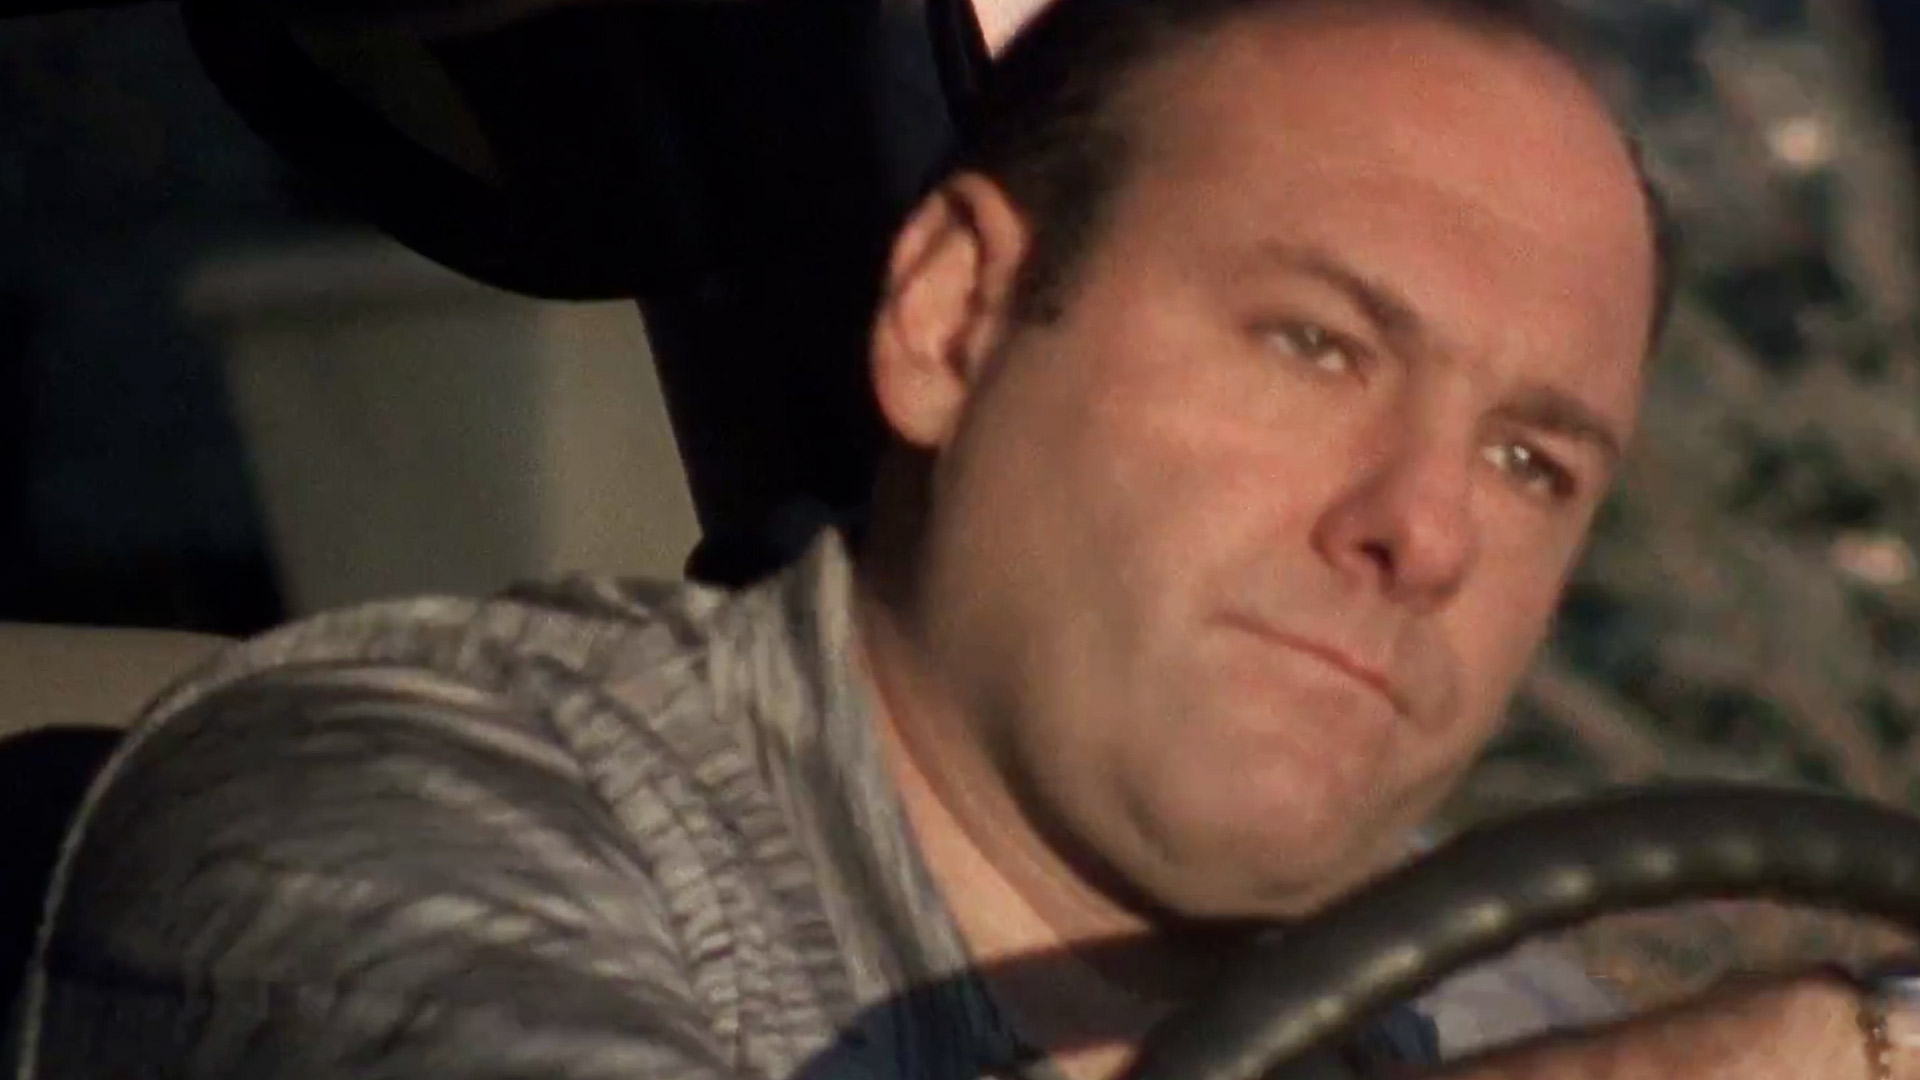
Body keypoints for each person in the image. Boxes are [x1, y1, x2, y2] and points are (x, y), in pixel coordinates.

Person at [5, 0, 1902, 1077]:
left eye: (1533, 461)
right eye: (1316, 345)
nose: (1424, 524)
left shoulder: (1493, 989)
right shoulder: (370, 814)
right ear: (952, 318)